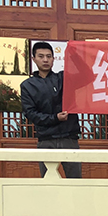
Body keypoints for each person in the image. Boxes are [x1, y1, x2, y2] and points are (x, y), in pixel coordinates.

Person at [20, 41, 82, 178]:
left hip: (69, 137)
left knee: (76, 181)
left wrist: (75, 56)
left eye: (49, 56)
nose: (45, 60)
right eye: (41, 56)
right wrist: (55, 118)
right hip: (46, 139)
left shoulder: (64, 78)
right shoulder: (28, 85)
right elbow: (31, 114)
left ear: (54, 59)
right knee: (48, 181)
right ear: (33, 59)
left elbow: (88, 76)